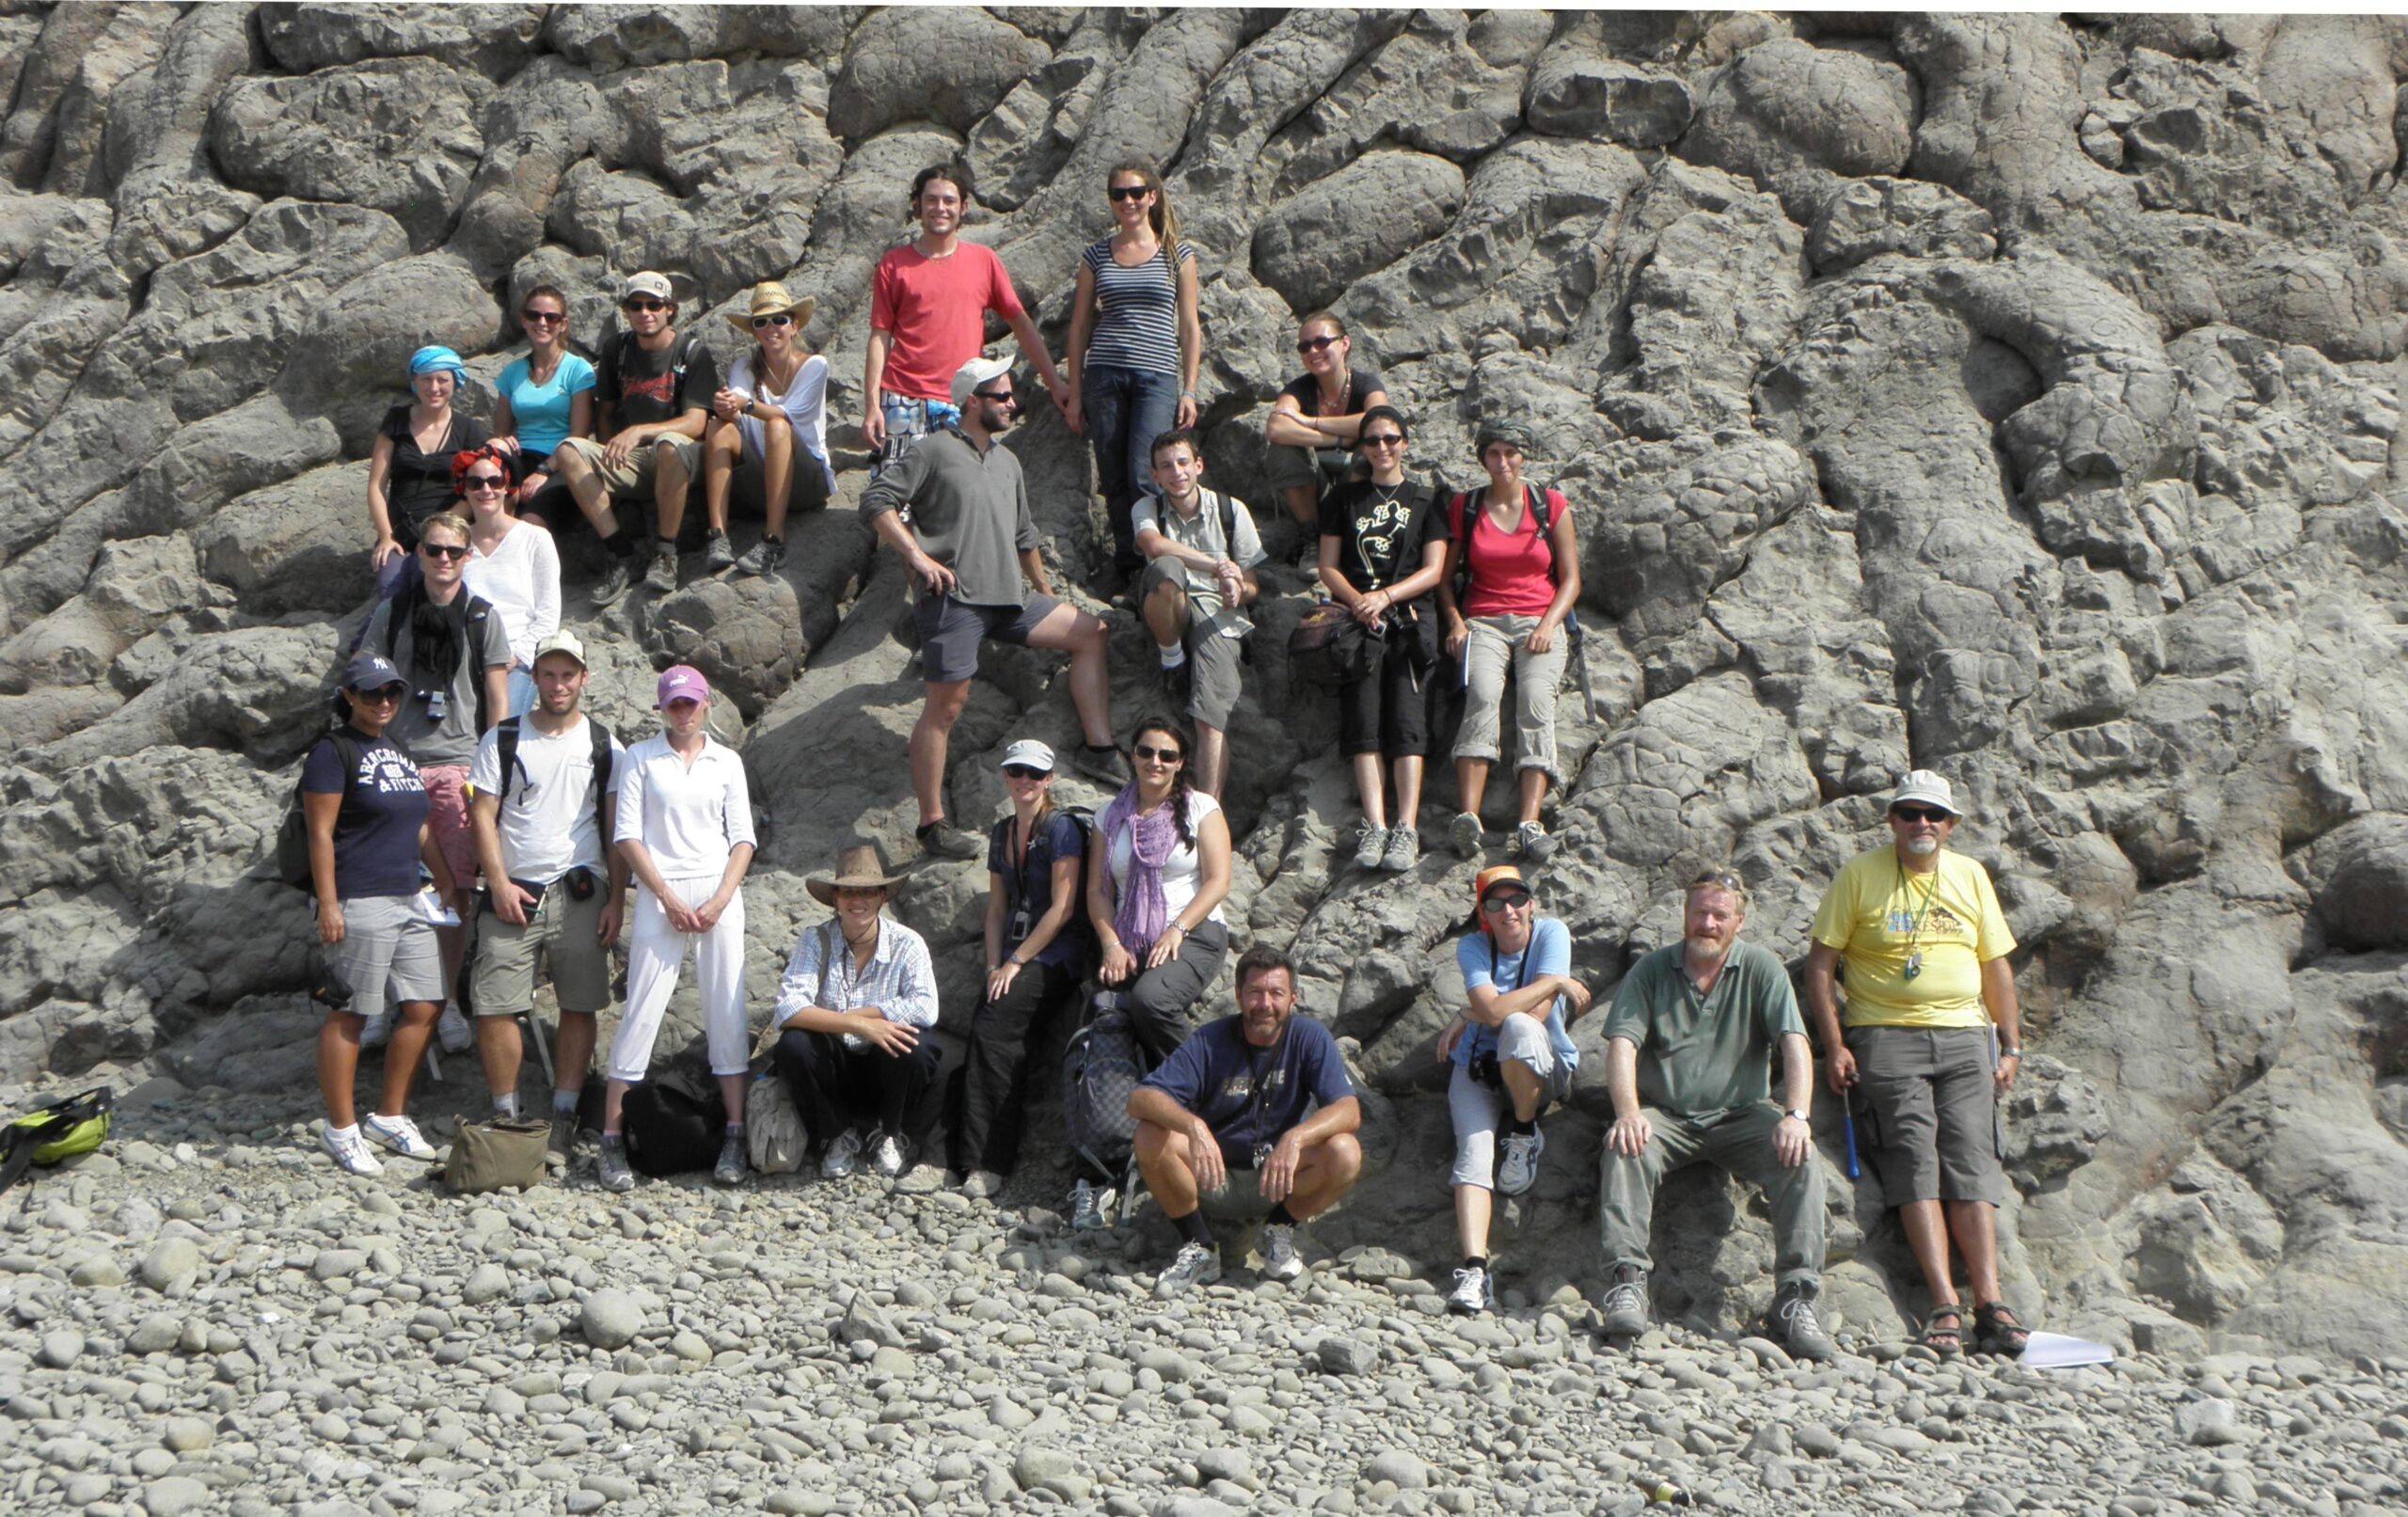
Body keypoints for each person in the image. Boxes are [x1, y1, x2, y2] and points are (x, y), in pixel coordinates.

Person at [862, 356, 1131, 861]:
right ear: (972, 401)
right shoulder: (933, 449)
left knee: (1091, 632)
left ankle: (1099, 749)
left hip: (1010, 597)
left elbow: (1025, 536)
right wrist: (917, 557)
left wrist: (1045, 591)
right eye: (1002, 396)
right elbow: (876, 500)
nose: (1013, 404)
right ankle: (932, 825)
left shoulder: (1008, 461)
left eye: (1012, 396)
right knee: (946, 708)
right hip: (954, 599)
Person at [1804, 771, 2031, 1357]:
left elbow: (1995, 965)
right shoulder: (1859, 875)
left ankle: (1991, 1302)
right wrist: (1836, 1044)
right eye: (1909, 813)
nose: (1921, 823)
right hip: (1885, 1036)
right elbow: (1821, 965)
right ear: (1892, 820)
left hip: (1966, 1037)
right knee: (1913, 1159)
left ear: (1951, 825)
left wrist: (2010, 1046)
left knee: (1972, 1161)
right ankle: (1943, 1304)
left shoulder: (1971, 875)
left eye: (1934, 815)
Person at [1596, 871, 1835, 1360]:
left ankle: (1796, 1298)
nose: (1708, 923)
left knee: (1802, 1159)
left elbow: (1794, 1043)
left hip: (1742, 1116)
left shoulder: (1762, 968)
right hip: (1667, 1117)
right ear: (1685, 915)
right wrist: (1628, 1112)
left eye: (1720, 915)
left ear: (1738, 921)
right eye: (1700, 912)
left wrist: (1796, 1115)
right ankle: (1626, 1281)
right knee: (1624, 1148)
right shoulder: (1652, 970)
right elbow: (1622, 1044)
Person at [465, 631, 626, 1171]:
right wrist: (497, 882)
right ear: (534, 677)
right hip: (513, 887)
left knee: (579, 1003)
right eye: (549, 674)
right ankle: (506, 1116)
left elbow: (615, 828)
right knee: (494, 1004)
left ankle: (564, 1114)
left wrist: (617, 900)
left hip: (581, 888)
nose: (559, 685)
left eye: (568, 674)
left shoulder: (605, 744)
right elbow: (482, 814)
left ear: (584, 678)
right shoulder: (502, 739)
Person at [356, 511, 511, 1058]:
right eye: (434, 549)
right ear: (419, 554)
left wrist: (492, 772)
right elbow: (365, 679)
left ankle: (442, 1003)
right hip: (394, 763)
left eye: (454, 551)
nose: (444, 559)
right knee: (382, 889)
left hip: (458, 763)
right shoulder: (393, 612)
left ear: (468, 557)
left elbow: (497, 700)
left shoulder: (481, 617)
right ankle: (377, 1003)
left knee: (456, 890)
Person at [599, 667, 757, 1193]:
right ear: (662, 708)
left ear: (706, 704)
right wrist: (665, 896)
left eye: (691, 703)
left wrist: (720, 898)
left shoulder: (727, 761)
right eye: (674, 704)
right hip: (659, 891)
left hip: (718, 891)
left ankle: (735, 1134)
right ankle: (611, 1141)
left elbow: (742, 838)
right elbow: (626, 835)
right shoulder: (640, 757)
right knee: (641, 1009)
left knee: (726, 1010)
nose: (683, 712)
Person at [1129, 945, 1363, 1296]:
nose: (1264, 1003)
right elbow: (1140, 1099)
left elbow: (1348, 1110)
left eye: (1276, 993)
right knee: (1150, 1135)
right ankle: (1200, 1246)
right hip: (1214, 1175)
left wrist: (1296, 1138)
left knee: (1345, 1151)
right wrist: (1193, 1126)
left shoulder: (1309, 1037)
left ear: (1294, 998)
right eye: (1255, 992)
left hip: (1278, 1179)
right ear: (1238, 995)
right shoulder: (1210, 1040)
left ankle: (1279, 1230)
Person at [303, 652, 455, 1176]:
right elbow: (319, 833)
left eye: (392, 691)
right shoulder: (332, 752)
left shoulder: (397, 748)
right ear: (349, 696)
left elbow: (419, 823)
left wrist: (445, 876)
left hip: (409, 894)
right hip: (359, 896)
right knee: (351, 1012)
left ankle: (389, 1117)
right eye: (372, 693)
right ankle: (341, 1129)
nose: (384, 701)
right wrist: (329, 903)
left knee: (426, 1004)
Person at [1437, 866, 1589, 1315]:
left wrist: (1475, 1013)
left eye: (1517, 899)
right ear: (1483, 915)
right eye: (1495, 903)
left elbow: (1534, 1016)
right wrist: (1554, 982)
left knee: (1520, 1027)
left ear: (1531, 904)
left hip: (1539, 1066)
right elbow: (1490, 1010)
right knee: (1472, 1157)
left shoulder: (1552, 933)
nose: (1509, 911)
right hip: (1477, 1071)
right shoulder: (1472, 946)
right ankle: (1474, 1270)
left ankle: (1524, 1130)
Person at [863, 161, 1070, 471]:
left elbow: (1021, 324)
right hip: (903, 400)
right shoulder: (893, 264)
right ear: (918, 205)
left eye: (949, 200)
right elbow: (879, 337)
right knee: (895, 493)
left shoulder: (984, 261)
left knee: (958, 493)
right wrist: (872, 406)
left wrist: (1055, 385)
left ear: (963, 208)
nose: (940, 208)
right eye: (931, 200)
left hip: (964, 401)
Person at [952, 741, 1091, 1196]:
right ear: (1006, 776)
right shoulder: (1002, 832)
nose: (1024, 780)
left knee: (993, 1027)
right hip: (1015, 950)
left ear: (1049, 779)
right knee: (986, 1023)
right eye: (1016, 771)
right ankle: (956, 1158)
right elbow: (997, 908)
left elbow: (1063, 908)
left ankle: (989, 1162)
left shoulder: (1061, 828)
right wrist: (994, 964)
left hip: (1059, 953)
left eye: (1034, 773)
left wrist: (1014, 963)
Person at [1438, 420, 1580, 863]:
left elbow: (1571, 579)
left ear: (1523, 457)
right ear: (1483, 458)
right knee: (1482, 695)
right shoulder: (1466, 506)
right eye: (1494, 453)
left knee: (1536, 701)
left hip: (1540, 618)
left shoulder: (1549, 504)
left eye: (1510, 453)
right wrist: (1456, 623)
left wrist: (1548, 625)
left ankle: (1529, 823)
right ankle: (1468, 817)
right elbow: (1445, 579)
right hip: (1484, 621)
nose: (1503, 462)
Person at [1319, 404, 1447, 874]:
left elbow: (1434, 569)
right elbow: (1328, 565)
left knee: (1409, 724)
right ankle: (1374, 825)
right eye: (1372, 440)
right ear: (1362, 447)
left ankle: (1406, 827)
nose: (1382, 447)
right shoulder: (1342, 498)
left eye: (1391, 438)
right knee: (1364, 723)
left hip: (1411, 619)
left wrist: (1386, 596)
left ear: (1405, 443)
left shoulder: (1427, 499)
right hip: (1359, 622)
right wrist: (1360, 602)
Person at [1064, 163, 1201, 585]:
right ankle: (1127, 564)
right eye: (1119, 194)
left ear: (1152, 197)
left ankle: (1154, 564)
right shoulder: (1096, 255)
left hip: (1156, 376)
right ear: (1110, 201)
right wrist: (1074, 393)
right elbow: (1080, 326)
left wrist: (1190, 389)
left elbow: (1190, 326)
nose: (1129, 201)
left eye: (1137, 192)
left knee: (1148, 473)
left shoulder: (1178, 254)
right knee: (1114, 475)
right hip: (1104, 374)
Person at [769, 845, 943, 1180]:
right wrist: (859, 1024)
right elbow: (788, 1008)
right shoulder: (815, 940)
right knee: (793, 1045)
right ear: (835, 899)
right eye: (848, 892)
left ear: (882, 898)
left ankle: (889, 1132)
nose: (857, 900)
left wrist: (869, 1019)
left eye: (867, 892)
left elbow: (926, 1006)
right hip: (833, 1065)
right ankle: (836, 1133)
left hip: (884, 1067)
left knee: (916, 1044)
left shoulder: (908, 943)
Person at [552, 272, 721, 605]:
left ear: (670, 309)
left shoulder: (691, 352)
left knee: (668, 444)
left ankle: (666, 552)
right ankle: (622, 553)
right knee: (568, 450)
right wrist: (608, 451)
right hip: (633, 460)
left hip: (681, 457)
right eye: (636, 305)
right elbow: (605, 411)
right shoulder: (617, 350)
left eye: (654, 305)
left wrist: (639, 431)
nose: (645, 313)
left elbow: (697, 422)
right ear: (626, 310)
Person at [1087, 719, 1232, 1063]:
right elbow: (1097, 890)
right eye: (1146, 752)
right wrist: (1111, 945)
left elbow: (1218, 881)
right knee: (1100, 1005)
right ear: (1133, 756)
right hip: (1128, 937)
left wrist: (1177, 929)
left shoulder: (1202, 807)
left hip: (1194, 931)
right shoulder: (1108, 816)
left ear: (1180, 763)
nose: (1156, 762)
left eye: (1167, 756)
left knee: (1151, 1000)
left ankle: (1206, 1077)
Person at [1133, 429, 1262, 799]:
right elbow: (1154, 545)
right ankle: (1172, 659)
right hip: (1167, 607)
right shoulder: (1147, 508)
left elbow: (1253, 584)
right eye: (1166, 466)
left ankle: (1208, 812)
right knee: (1167, 569)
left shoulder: (1232, 510)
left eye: (1183, 462)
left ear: (1199, 465)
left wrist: (1238, 589)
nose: (1176, 472)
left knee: (1211, 715)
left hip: (1220, 615)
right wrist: (1217, 567)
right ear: (1155, 475)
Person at [700, 280, 833, 578]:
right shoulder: (744, 367)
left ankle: (773, 539)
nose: (771, 328)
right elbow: (736, 405)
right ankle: (718, 535)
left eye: (779, 320)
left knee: (777, 427)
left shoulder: (815, 365)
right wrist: (726, 406)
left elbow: (786, 415)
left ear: (794, 326)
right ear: (754, 331)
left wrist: (744, 404)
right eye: (761, 322)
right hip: (761, 480)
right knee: (718, 427)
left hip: (807, 482)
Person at [1263, 312, 1388, 571]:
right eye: (1305, 346)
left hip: (1353, 486)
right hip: (1314, 485)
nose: (1313, 351)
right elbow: (1276, 428)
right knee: (1281, 451)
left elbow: (1379, 420)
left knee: (1374, 449)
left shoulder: (1366, 385)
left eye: (1322, 342)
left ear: (1345, 344)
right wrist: (1340, 438)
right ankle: (1313, 537)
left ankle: (1349, 534)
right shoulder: (1298, 389)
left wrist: (1310, 422)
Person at [365, 346, 490, 596]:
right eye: (426, 379)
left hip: (447, 533)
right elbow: (376, 486)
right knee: (391, 589)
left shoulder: (468, 430)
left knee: (433, 587)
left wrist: (436, 530)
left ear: (455, 382)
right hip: (400, 534)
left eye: (442, 380)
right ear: (415, 381)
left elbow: (475, 491)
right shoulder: (396, 420)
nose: (434, 387)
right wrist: (386, 537)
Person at [457, 444, 562, 719]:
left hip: (515, 660)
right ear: (465, 490)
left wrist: (517, 657)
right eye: (475, 483)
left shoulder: (536, 538)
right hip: (462, 659)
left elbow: (548, 613)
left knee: (501, 732)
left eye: (495, 481)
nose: (486, 490)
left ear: (507, 487)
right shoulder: (455, 544)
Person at [490, 284, 595, 522]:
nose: (542, 322)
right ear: (523, 320)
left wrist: (544, 471)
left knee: (530, 523)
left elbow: (579, 436)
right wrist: (504, 441)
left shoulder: (578, 370)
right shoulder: (512, 372)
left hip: (561, 463)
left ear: (563, 324)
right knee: (492, 511)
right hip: (520, 459)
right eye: (534, 315)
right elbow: (500, 433)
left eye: (551, 317)